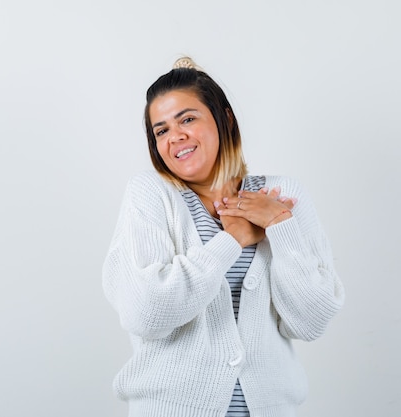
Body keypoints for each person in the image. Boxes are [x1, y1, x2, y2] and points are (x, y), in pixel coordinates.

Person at [102, 57, 345, 417]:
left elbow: (310, 322)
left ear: (224, 119)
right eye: (162, 130)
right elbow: (146, 314)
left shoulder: (282, 196)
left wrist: (281, 226)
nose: (176, 136)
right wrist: (230, 242)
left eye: (187, 119)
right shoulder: (151, 193)